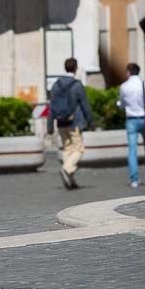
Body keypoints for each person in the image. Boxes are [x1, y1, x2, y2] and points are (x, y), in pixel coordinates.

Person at [48, 58, 93, 190]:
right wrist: (91, 122)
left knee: (67, 148)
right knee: (78, 149)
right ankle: (67, 169)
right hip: (74, 122)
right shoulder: (77, 85)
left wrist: (50, 125)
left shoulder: (56, 84)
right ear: (75, 68)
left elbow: (51, 106)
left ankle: (70, 181)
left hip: (61, 122)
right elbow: (85, 105)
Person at [118, 63, 145, 189]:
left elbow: (121, 104)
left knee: (132, 150)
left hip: (131, 120)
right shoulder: (144, 85)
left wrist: (121, 104)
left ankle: (134, 180)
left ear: (128, 72)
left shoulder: (124, 86)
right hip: (144, 119)